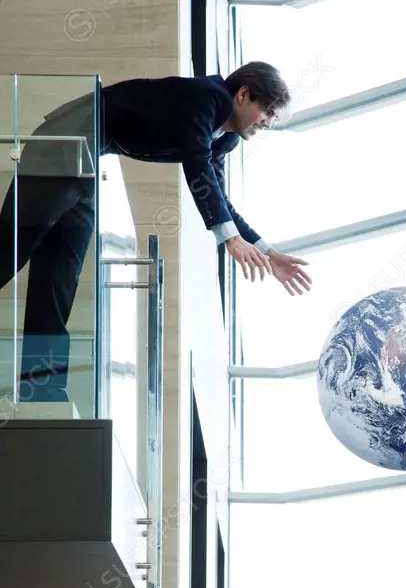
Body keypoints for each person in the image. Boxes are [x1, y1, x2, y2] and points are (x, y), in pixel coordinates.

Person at [0, 61, 311, 402]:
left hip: (85, 164)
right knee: (10, 251)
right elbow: (196, 165)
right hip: (61, 146)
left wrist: (265, 250)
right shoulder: (207, 97)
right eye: (267, 112)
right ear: (243, 95)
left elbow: (218, 196)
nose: (267, 123)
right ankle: (41, 385)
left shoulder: (225, 139)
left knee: (59, 277)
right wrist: (230, 240)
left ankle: (41, 389)